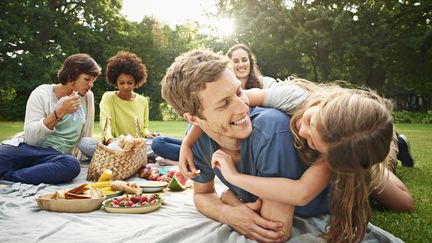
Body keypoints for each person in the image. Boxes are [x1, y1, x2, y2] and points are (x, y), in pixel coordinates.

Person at [179, 79, 414, 241]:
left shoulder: (334, 153)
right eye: (310, 121)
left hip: (353, 159)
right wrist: (189, 141)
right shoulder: (294, 98)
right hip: (336, 146)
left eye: (312, 142)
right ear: (323, 105)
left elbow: (300, 193)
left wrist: (234, 177)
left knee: (402, 202)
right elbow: (233, 104)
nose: (303, 131)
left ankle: (392, 151)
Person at [161, 49, 331, 242]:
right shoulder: (197, 140)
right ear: (194, 118)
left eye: (238, 91)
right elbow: (203, 194)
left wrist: (231, 200)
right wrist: (228, 214)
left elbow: (276, 231)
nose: (243, 107)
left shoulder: (271, 129)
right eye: (224, 103)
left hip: (316, 203)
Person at [151, 43, 277, 162]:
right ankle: (196, 160)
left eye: (244, 60)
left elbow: (287, 96)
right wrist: (187, 143)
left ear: (251, 61)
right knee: (158, 142)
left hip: (249, 136)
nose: (241, 64)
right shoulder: (216, 83)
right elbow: (200, 119)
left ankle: (197, 159)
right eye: (236, 61)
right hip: (219, 134)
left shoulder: (264, 84)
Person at [0, 53, 101, 184]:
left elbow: (85, 134)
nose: (91, 85)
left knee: (72, 165)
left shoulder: (87, 97)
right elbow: (31, 138)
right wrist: (58, 113)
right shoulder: (41, 93)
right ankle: (31, 173)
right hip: (27, 148)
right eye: (87, 79)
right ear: (71, 77)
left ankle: (9, 177)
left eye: (93, 80)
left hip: (55, 156)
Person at [79, 51, 159, 159]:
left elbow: (144, 128)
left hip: (135, 146)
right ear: (115, 82)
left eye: (130, 83)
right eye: (121, 83)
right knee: (85, 143)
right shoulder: (108, 97)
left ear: (136, 82)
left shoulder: (143, 101)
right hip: (115, 144)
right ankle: (130, 158)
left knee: (159, 143)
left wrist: (148, 134)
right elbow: (105, 122)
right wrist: (110, 140)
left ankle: (116, 158)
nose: (126, 86)